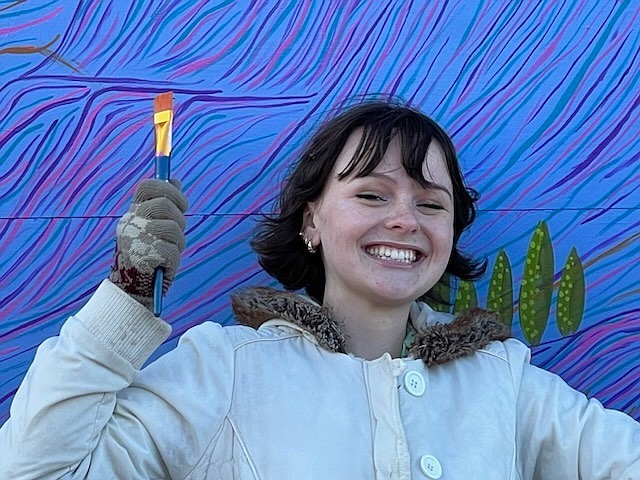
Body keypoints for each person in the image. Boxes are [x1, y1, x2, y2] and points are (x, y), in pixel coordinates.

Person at [0, 99, 639, 479]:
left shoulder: (503, 380)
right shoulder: (226, 367)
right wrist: (128, 293)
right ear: (312, 218)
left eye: (431, 204)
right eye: (371, 194)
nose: (404, 221)